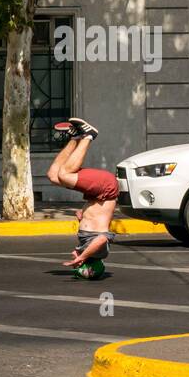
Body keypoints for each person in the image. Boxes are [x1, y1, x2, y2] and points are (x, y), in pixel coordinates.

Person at [45, 118, 117, 280]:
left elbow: (95, 222)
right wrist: (82, 256)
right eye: (79, 265)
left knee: (54, 176)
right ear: (88, 264)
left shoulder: (85, 245)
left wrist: (82, 218)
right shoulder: (100, 253)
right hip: (106, 189)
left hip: (98, 193)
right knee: (65, 174)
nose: (76, 263)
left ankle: (75, 138)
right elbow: (102, 238)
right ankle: (89, 136)